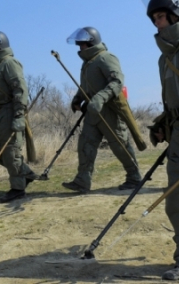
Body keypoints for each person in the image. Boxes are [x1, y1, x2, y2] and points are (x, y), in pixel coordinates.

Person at [145, 0, 179, 280]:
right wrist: (163, 125)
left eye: (162, 16)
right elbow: (172, 102)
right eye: (154, 17)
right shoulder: (163, 58)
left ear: (177, 13)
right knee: (178, 199)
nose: (157, 22)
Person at [62, 27, 142, 194]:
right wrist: (78, 98)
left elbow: (117, 82)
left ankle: (134, 177)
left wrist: (100, 98)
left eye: (82, 44)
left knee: (119, 144)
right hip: (93, 112)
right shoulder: (87, 64)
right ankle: (82, 180)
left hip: (109, 111)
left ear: (90, 43)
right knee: (86, 144)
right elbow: (85, 86)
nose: (80, 48)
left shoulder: (106, 58)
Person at [0, 29, 37, 203]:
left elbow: (20, 90)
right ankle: (26, 173)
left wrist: (19, 116)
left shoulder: (10, 63)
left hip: (9, 113)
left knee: (11, 152)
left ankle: (18, 188)